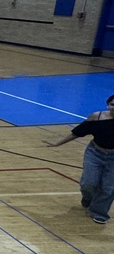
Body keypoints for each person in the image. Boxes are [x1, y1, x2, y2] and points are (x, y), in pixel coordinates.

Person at [45, 94, 114, 224]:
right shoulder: (97, 117)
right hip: (95, 153)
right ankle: (87, 198)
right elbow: (77, 133)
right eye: (113, 104)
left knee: (109, 187)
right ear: (108, 105)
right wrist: (57, 143)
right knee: (88, 183)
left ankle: (99, 212)